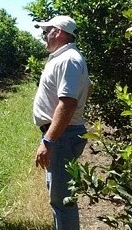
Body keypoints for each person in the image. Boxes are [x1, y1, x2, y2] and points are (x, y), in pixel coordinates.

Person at [33, 15, 90, 230]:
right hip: (61, 134)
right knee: (58, 196)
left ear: (58, 31)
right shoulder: (65, 58)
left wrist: (48, 141)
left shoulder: (69, 60)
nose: (44, 36)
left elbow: (67, 104)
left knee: (62, 200)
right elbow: (87, 88)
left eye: (46, 31)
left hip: (62, 137)